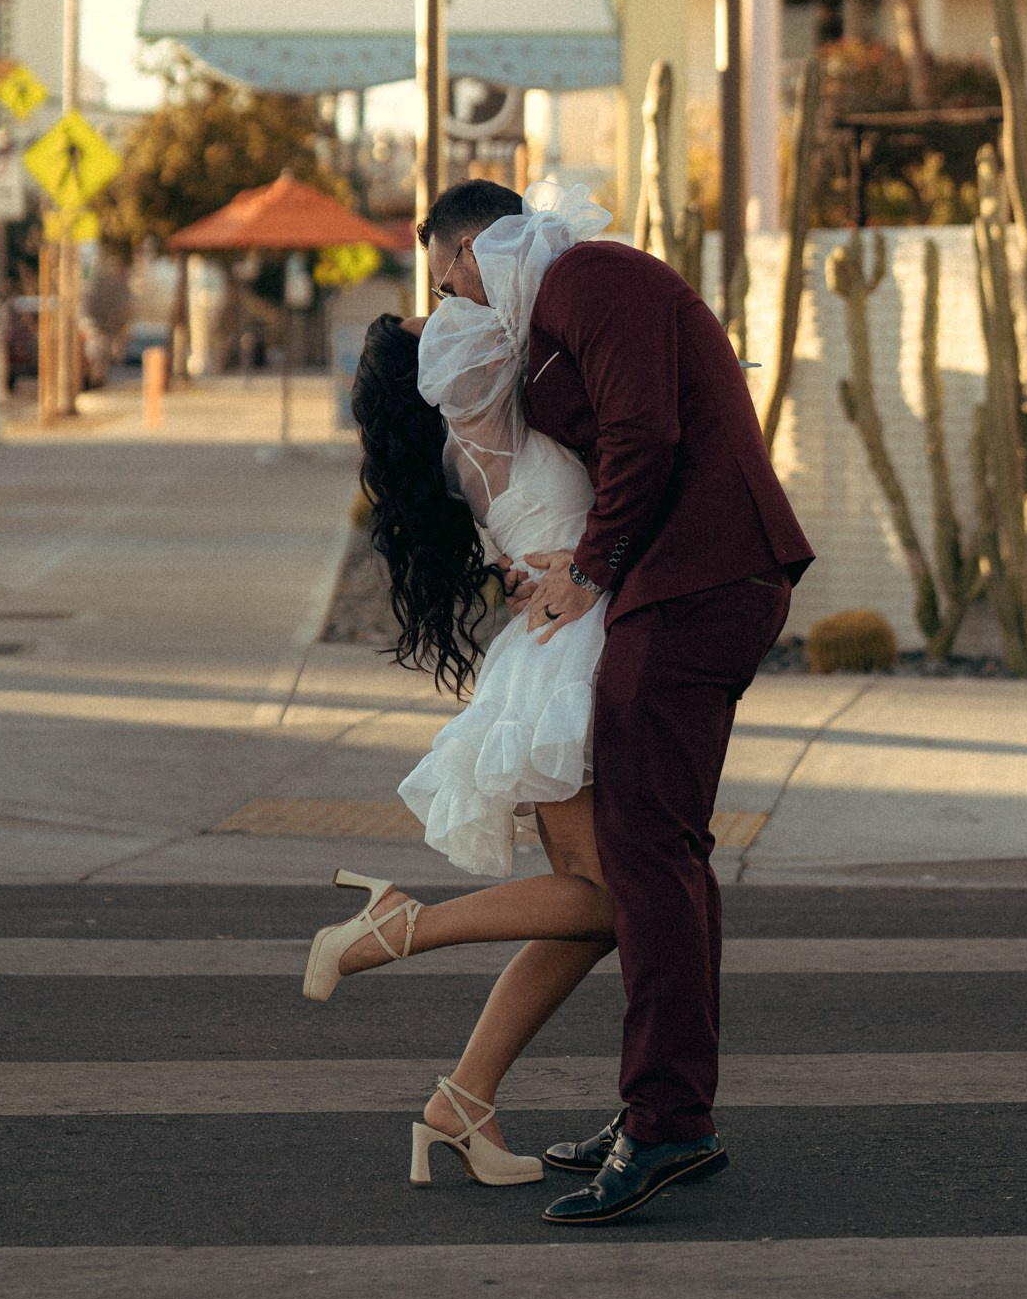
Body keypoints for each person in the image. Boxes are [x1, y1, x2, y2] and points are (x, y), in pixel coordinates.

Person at [422, 173, 812, 1227]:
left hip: (699, 578)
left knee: (643, 851)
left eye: (446, 282)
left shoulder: (589, 279)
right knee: (663, 854)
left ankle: (668, 1123)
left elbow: (645, 434)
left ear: (465, 250)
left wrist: (587, 571)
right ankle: (667, 1109)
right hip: (674, 582)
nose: (453, 305)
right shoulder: (561, 305)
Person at [313, 190, 620, 1188]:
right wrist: (481, 249)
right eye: (424, 315)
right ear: (427, 365)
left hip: (557, 641)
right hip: (569, 650)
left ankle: (460, 1103)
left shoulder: (468, 428)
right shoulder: (476, 385)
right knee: (606, 902)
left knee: (594, 904)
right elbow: (522, 289)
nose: (441, 303)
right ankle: (396, 924)